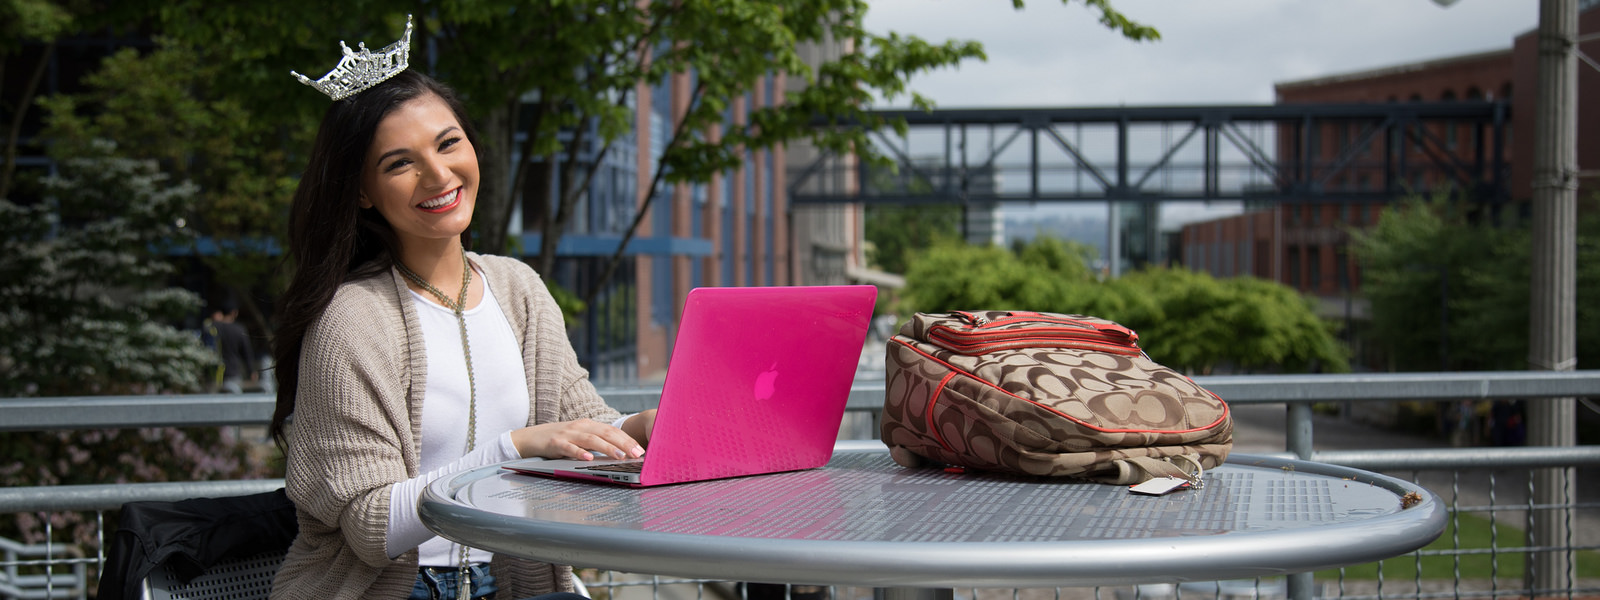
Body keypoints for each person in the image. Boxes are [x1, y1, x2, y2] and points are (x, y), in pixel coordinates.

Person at [268, 16, 655, 600]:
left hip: (515, 580)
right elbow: (373, 528)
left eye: (449, 144)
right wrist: (516, 449)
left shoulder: (518, 287)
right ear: (363, 192)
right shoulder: (349, 319)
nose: (438, 174)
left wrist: (637, 430)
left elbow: (578, 422)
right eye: (400, 163)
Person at [203, 300, 255, 393]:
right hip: (233, 372)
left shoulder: (214, 327)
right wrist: (251, 371)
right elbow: (247, 352)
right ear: (234, 313)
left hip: (214, 374)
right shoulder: (239, 329)